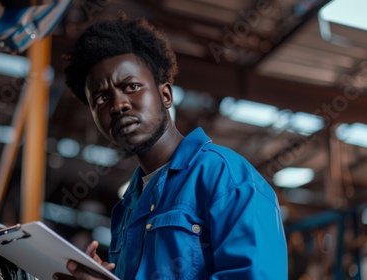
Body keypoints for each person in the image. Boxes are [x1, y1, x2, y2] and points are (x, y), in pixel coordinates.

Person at [54, 15, 288, 280]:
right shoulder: (126, 208)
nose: (118, 105)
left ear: (165, 95)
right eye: (102, 98)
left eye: (131, 86)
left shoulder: (227, 179)